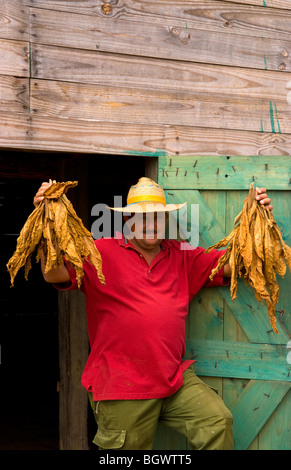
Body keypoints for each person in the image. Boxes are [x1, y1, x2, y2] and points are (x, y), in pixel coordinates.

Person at [33, 177, 273, 450]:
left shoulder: (183, 256)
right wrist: (47, 220)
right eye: (141, 217)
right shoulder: (99, 252)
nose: (150, 224)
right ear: (127, 220)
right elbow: (54, 272)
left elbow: (240, 264)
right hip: (121, 386)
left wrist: (259, 217)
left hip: (173, 381)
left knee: (217, 422)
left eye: (157, 217)